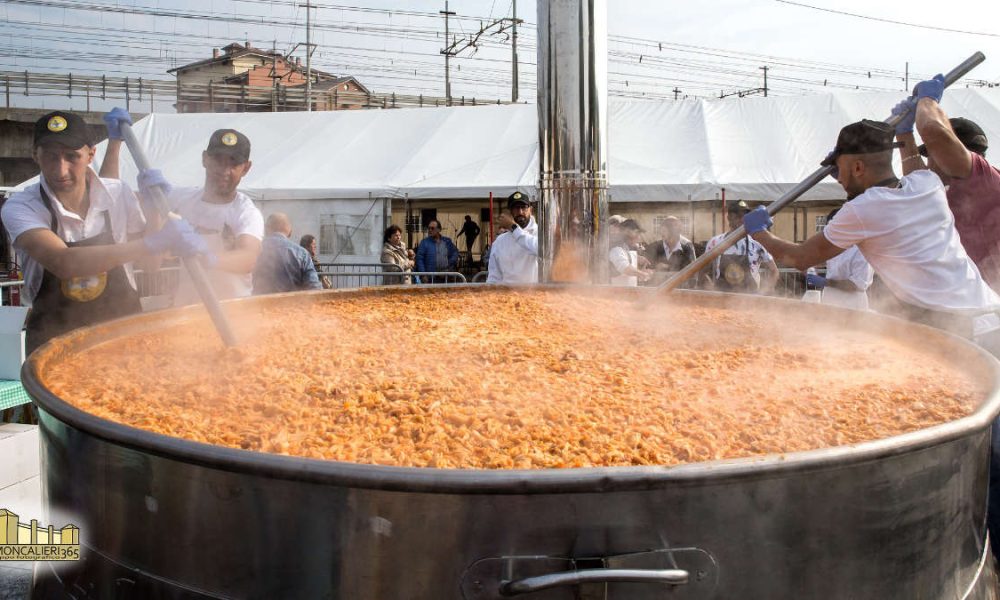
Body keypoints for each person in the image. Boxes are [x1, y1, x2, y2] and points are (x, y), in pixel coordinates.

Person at [0, 110, 206, 353]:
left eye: (71, 156)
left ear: (90, 154)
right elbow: (64, 262)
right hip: (54, 342)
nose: (61, 170)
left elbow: (151, 265)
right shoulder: (22, 206)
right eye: (51, 157)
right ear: (36, 155)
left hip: (123, 338)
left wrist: (154, 214)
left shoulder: (118, 194)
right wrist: (152, 243)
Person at [893, 76, 1000, 291]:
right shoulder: (946, 191)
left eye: (931, 155)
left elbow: (934, 133)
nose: (928, 163)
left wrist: (928, 100)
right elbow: (918, 180)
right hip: (966, 298)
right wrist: (904, 134)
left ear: (952, 155)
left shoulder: (986, 180)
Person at [142, 128, 264, 306]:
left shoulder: (245, 212)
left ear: (246, 168)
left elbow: (248, 258)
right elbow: (149, 265)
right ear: (205, 159)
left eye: (233, 163)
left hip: (234, 313)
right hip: (186, 312)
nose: (224, 170)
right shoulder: (179, 200)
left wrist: (208, 257)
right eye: (218, 160)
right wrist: (154, 207)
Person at [704, 200, 778, 293]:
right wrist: (711, 290)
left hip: (749, 300)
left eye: (745, 216)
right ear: (728, 217)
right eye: (738, 216)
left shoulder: (757, 242)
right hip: (722, 300)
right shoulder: (715, 242)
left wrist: (763, 293)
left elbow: (774, 271)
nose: (742, 220)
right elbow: (702, 271)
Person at [806, 208, 873, 311]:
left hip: (851, 305)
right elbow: (829, 261)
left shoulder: (861, 251)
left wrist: (825, 282)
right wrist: (811, 265)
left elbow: (856, 285)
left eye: (834, 230)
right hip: (830, 301)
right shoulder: (834, 245)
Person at [251, 213, 321, 295]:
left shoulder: (252, 251)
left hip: (257, 305)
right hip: (293, 306)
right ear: (290, 231)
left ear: (266, 229)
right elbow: (314, 288)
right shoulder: (302, 254)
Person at [487, 192, 539, 284]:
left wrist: (514, 228)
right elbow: (494, 277)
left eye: (523, 207)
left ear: (530, 210)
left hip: (535, 294)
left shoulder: (540, 233)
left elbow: (538, 249)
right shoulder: (500, 241)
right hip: (507, 295)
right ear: (510, 212)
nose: (520, 212)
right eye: (516, 208)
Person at [646, 215, 696, 285]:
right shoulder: (654, 247)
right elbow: (647, 272)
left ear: (674, 231)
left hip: (680, 291)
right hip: (658, 292)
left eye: (664, 230)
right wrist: (656, 269)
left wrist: (668, 268)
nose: (661, 233)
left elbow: (692, 273)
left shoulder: (686, 248)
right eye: (661, 230)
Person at [609, 219, 653, 286]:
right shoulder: (616, 249)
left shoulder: (627, 249)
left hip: (628, 293)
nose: (639, 237)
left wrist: (638, 259)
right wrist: (642, 274)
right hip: (616, 294)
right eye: (636, 233)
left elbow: (628, 258)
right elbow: (626, 268)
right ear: (627, 232)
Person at [415, 218, 458, 283]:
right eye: (428, 228)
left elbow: (455, 252)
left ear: (439, 229)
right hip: (430, 277)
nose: (429, 230)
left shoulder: (447, 241)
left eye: (432, 228)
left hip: (446, 276)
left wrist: (450, 264)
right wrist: (423, 275)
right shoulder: (424, 242)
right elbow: (419, 259)